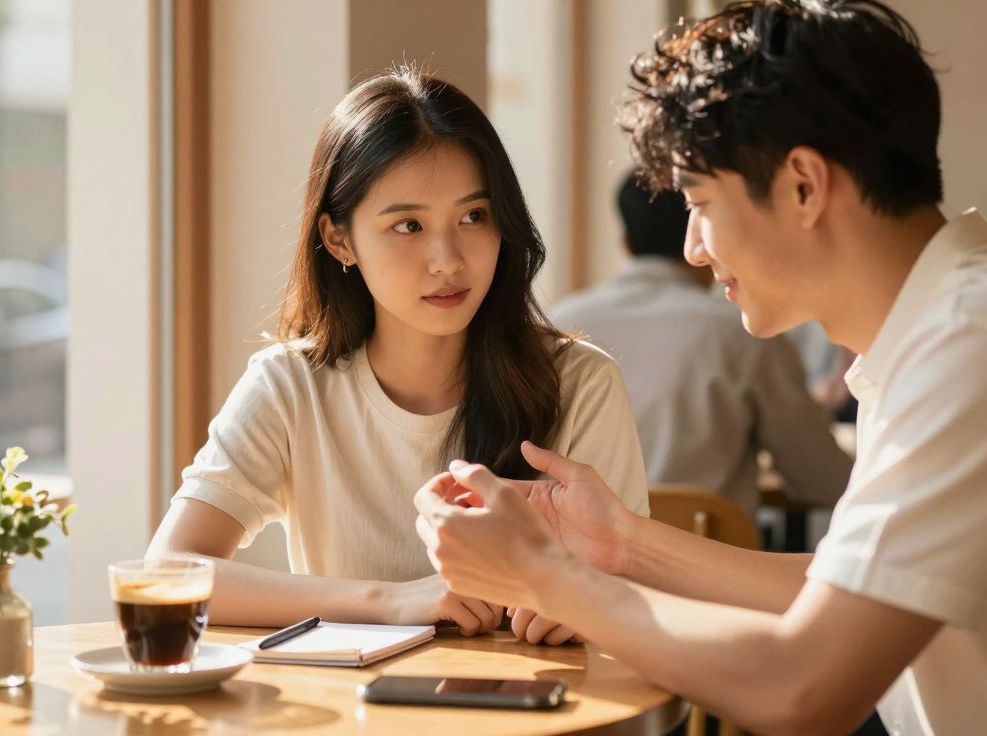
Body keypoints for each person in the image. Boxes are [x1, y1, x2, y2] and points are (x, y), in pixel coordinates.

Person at [413, 2, 987, 733]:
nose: (692, 249)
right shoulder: (957, 321)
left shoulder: (980, 345)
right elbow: (841, 591)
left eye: (700, 202)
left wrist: (544, 576)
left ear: (805, 186)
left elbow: (802, 689)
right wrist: (622, 544)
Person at [148, 68, 649, 646]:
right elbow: (168, 573)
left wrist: (595, 604)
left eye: (474, 216)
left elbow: (636, 594)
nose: (447, 259)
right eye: (408, 225)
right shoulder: (290, 386)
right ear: (339, 239)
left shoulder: (581, 382)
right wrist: (389, 601)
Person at [553, 173, 850, 518]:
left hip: (577, 545)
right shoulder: (741, 331)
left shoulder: (559, 324)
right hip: (705, 544)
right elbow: (821, 479)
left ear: (626, 242)